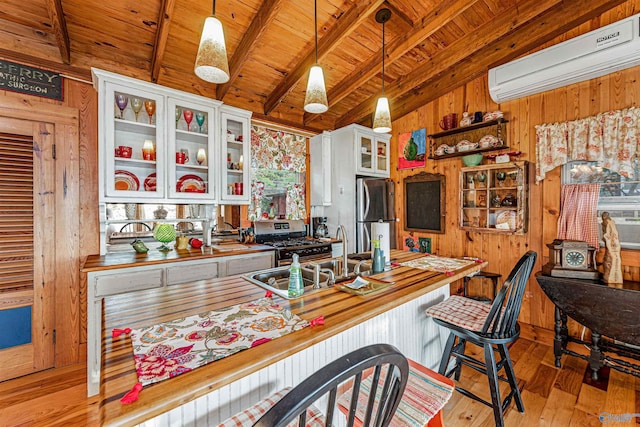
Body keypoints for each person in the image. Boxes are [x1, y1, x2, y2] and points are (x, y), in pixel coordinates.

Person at [601, 212, 623, 284]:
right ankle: (609, 276)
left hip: (612, 245)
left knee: (610, 260)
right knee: (608, 260)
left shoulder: (609, 222)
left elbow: (609, 233)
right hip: (610, 244)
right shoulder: (608, 222)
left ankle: (612, 277)